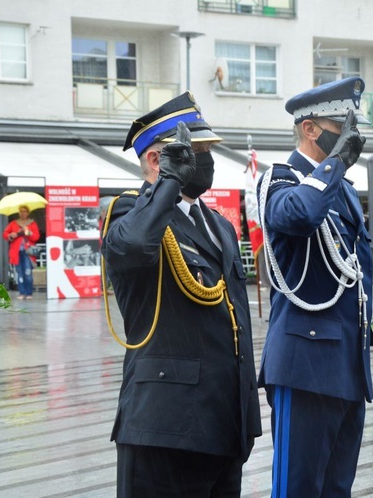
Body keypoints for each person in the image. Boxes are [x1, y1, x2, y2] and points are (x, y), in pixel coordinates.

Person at [101, 92, 262, 496]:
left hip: (225, 422)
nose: (206, 162)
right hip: (166, 426)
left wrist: (247, 412)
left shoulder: (218, 225)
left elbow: (235, 317)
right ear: (158, 160)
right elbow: (135, 247)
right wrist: (169, 183)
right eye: (197, 151)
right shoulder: (127, 212)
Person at [257, 76, 373, 497]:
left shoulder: (338, 188)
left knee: (336, 488)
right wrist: (334, 164)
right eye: (341, 125)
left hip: (345, 364)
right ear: (310, 128)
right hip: (304, 364)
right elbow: (298, 217)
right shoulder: (282, 179)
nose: (349, 135)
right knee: (298, 489)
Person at [2, 205, 40, 300]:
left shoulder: (32, 224)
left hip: (28, 253)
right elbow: (5, 234)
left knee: (28, 273)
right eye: (21, 211)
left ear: (28, 213)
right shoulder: (13, 223)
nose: (23, 213)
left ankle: (29, 292)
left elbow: (36, 237)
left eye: (25, 211)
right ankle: (22, 292)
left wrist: (29, 232)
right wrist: (11, 235)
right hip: (16, 252)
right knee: (19, 273)